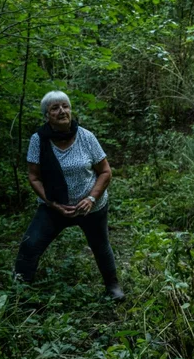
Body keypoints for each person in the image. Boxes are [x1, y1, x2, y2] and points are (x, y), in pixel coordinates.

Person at [14, 90, 124, 300]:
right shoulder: (38, 140)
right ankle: (19, 293)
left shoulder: (86, 136)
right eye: (54, 108)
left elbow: (105, 172)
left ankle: (113, 287)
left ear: (71, 110)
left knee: (101, 246)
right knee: (30, 244)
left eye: (65, 106)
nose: (61, 111)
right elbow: (34, 177)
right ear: (47, 115)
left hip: (91, 206)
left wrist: (91, 199)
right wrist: (52, 203)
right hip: (53, 207)